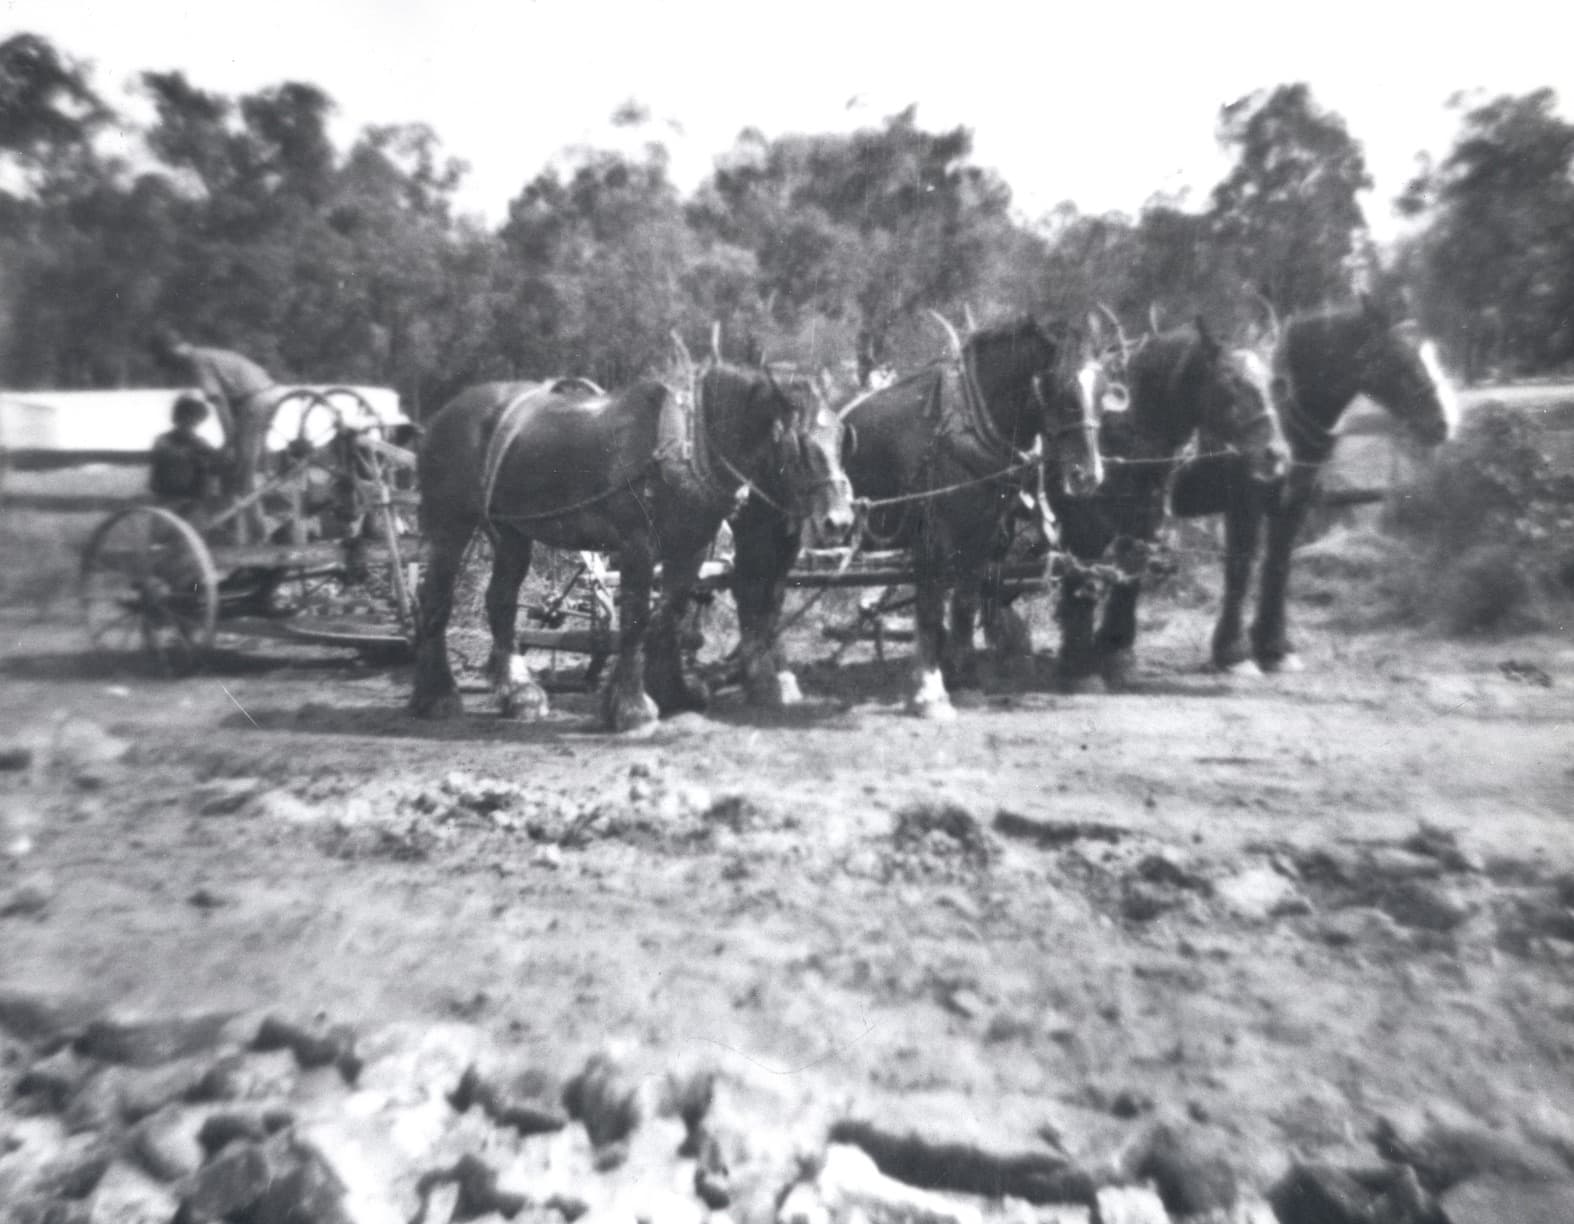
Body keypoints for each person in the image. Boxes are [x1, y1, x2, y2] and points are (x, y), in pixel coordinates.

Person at [148, 328, 281, 539]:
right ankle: (244, 531)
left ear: (170, 353)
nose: (173, 369)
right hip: (268, 394)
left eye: (168, 361)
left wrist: (229, 440)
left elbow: (219, 403)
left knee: (243, 477)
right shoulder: (208, 355)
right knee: (243, 471)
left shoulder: (196, 362)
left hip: (254, 401)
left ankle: (258, 536)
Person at [149, 393, 228, 521]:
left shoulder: (200, 442)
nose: (191, 424)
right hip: (168, 495)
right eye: (186, 419)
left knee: (195, 526)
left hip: (194, 497)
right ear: (177, 419)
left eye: (195, 421)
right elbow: (166, 453)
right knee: (164, 530)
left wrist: (220, 457)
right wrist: (191, 455)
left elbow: (216, 461)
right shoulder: (163, 440)